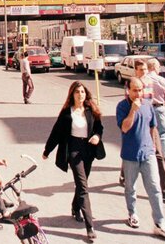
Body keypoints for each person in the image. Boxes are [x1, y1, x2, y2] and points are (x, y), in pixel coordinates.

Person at [42, 81, 105, 241]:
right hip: (74, 150)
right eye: (77, 92)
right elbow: (56, 132)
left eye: (83, 92)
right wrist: (47, 150)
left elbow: (99, 128)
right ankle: (90, 227)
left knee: (81, 183)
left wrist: (97, 136)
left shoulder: (91, 110)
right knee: (83, 186)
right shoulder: (66, 113)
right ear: (72, 94)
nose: (80, 95)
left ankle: (75, 207)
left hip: (88, 149)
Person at [117, 77, 165, 239]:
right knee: (131, 188)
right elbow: (125, 128)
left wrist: (155, 148)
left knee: (154, 188)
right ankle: (132, 213)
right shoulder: (122, 107)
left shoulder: (148, 105)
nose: (138, 93)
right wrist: (133, 110)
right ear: (127, 90)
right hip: (130, 155)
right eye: (134, 90)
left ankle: (160, 222)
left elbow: (153, 128)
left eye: (140, 90)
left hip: (148, 153)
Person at [147, 58, 165, 177]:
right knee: (163, 133)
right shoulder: (161, 80)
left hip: (147, 109)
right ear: (154, 67)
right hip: (159, 108)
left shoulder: (143, 80)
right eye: (159, 67)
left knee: (149, 134)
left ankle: (152, 157)